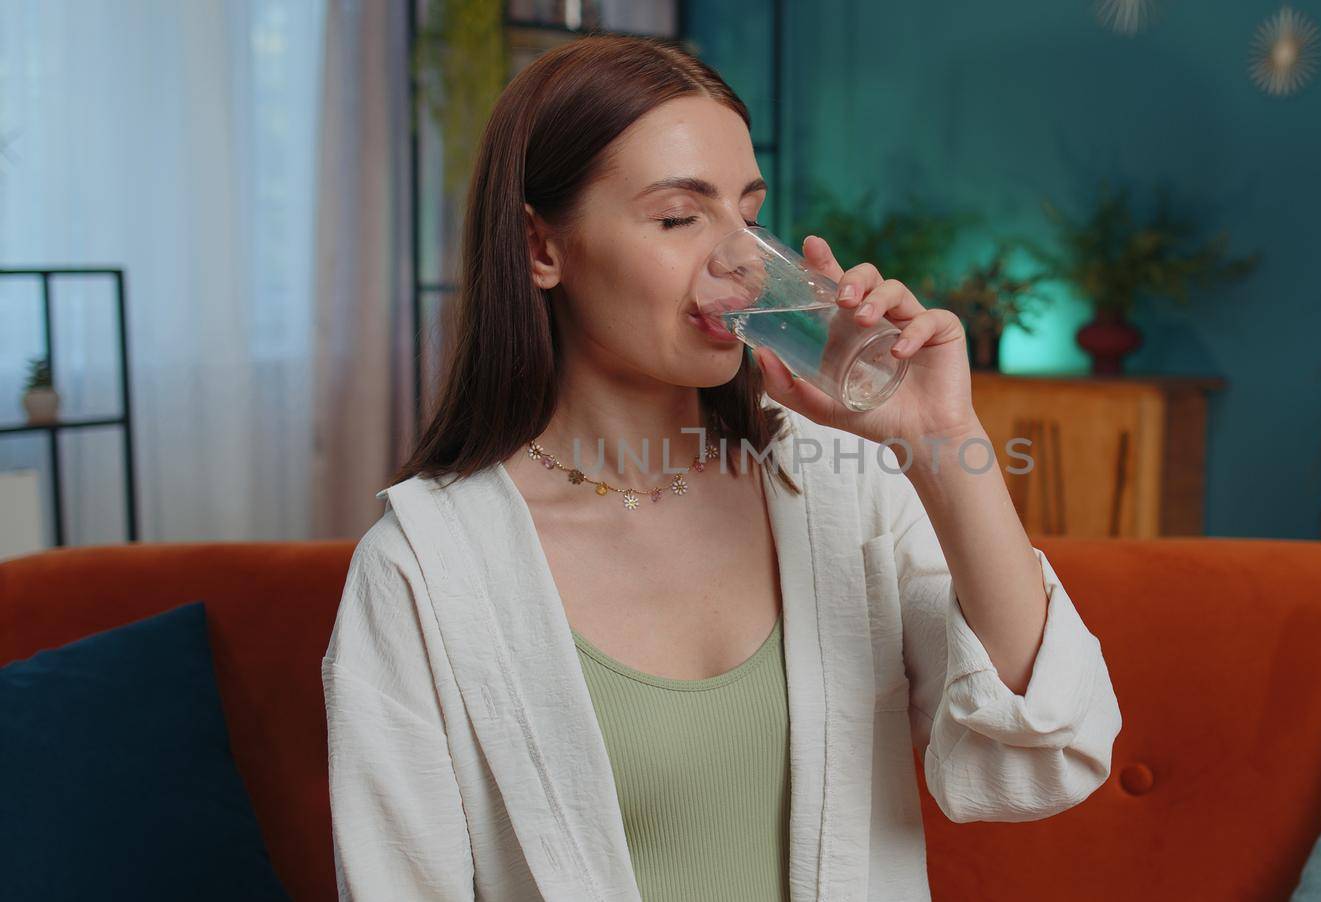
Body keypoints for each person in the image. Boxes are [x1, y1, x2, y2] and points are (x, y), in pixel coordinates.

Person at [321, 32, 1121, 902]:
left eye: (747, 212)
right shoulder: (424, 573)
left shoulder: (840, 488)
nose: (740, 261)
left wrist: (940, 440)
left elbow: (1041, 758)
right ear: (539, 248)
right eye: (678, 217)